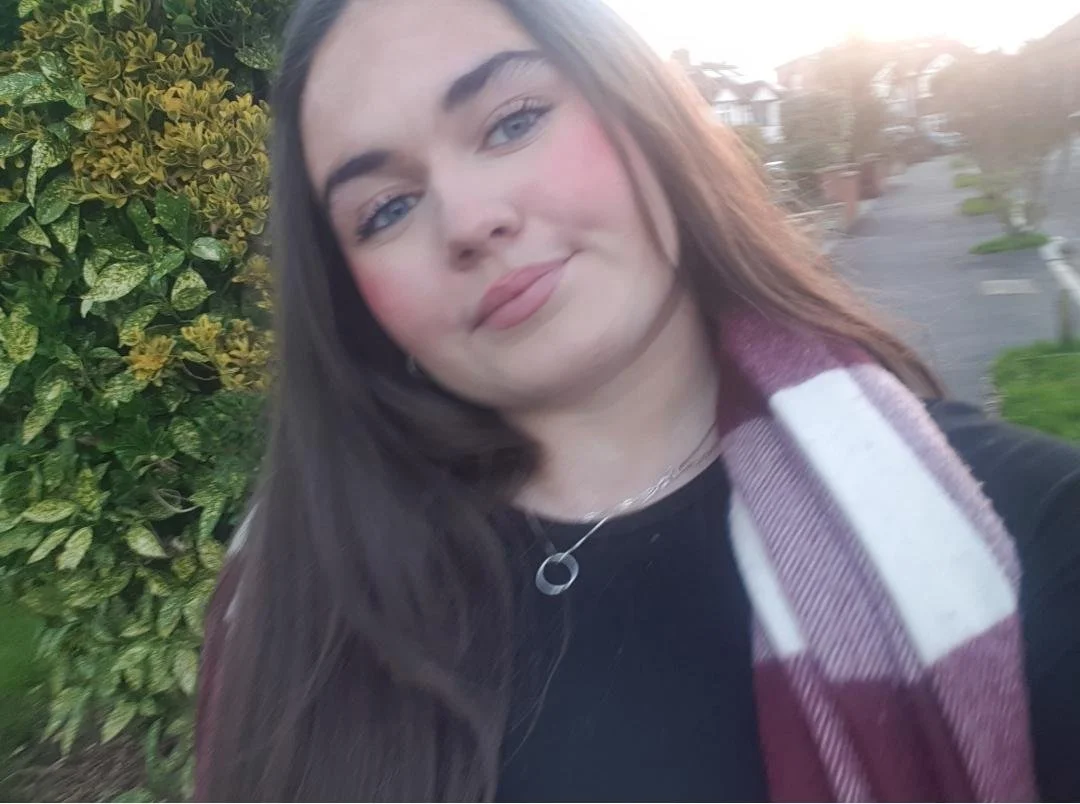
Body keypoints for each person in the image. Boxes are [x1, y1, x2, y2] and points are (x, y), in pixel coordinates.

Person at [194, 0, 1080, 800]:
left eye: (513, 121)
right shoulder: (291, 601)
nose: (467, 221)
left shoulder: (1025, 536)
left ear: (641, 112)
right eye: (385, 210)